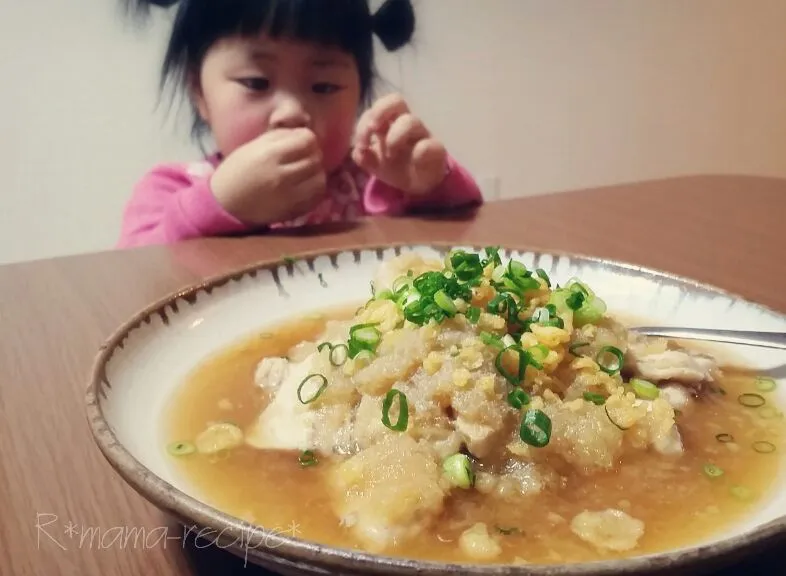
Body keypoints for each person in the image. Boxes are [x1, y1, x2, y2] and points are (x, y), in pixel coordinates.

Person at [117, 0, 484, 249]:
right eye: (256, 83)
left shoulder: (375, 182)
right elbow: (139, 275)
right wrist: (218, 204)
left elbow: (466, 229)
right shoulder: (171, 190)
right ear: (199, 90)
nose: (292, 111)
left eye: (324, 86)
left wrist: (430, 182)